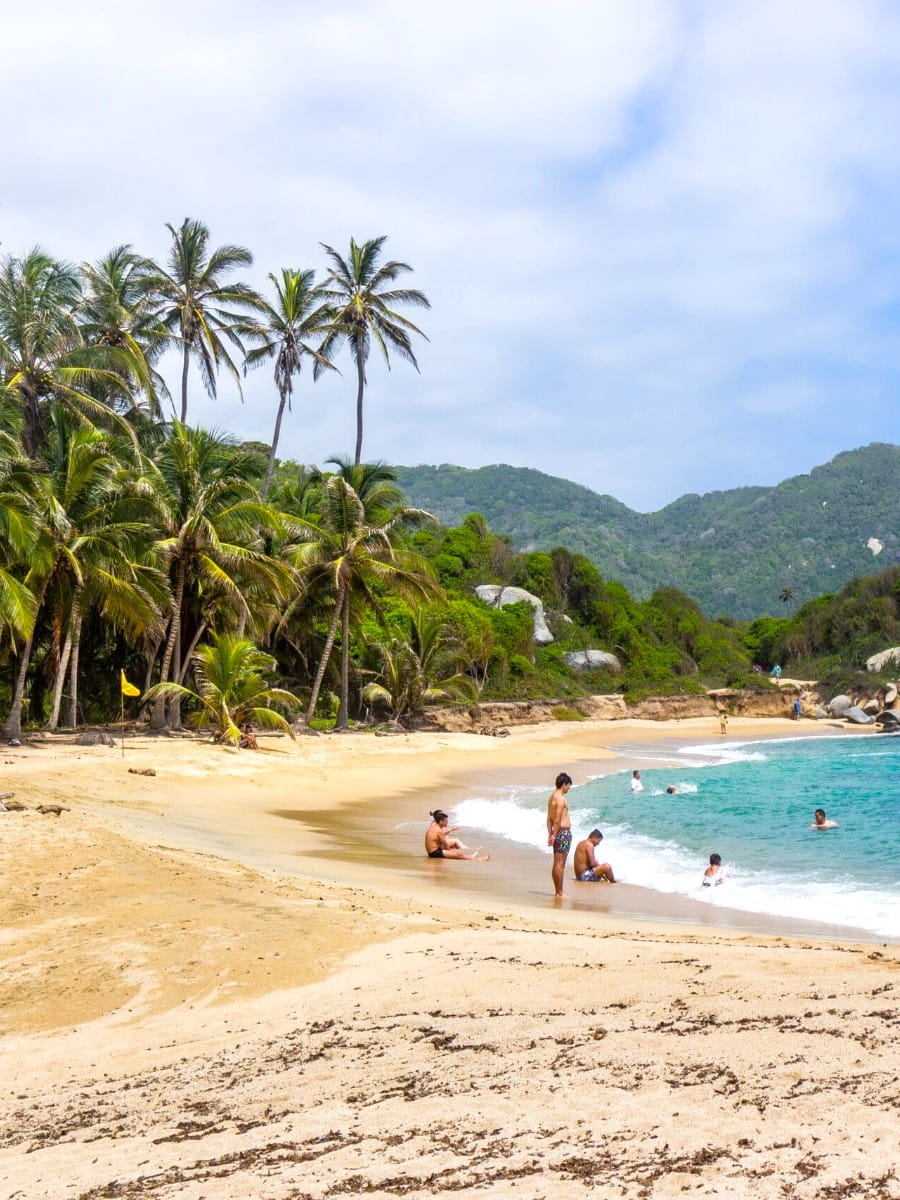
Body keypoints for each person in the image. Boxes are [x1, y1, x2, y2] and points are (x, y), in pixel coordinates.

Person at [546, 772, 573, 898]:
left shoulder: (551, 797)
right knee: (560, 864)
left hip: (557, 832)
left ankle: (557, 891)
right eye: (568, 786)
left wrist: (550, 834)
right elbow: (556, 819)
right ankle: (559, 892)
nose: (569, 788)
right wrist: (554, 835)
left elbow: (549, 819)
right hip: (563, 832)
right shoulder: (561, 799)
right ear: (564, 784)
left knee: (556, 863)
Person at [425, 810, 490, 860]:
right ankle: (477, 859)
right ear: (441, 821)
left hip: (432, 851)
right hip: (434, 853)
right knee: (458, 855)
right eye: (446, 821)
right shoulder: (439, 831)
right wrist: (453, 852)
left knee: (456, 852)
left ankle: (470, 855)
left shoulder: (434, 826)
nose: (447, 822)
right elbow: (446, 846)